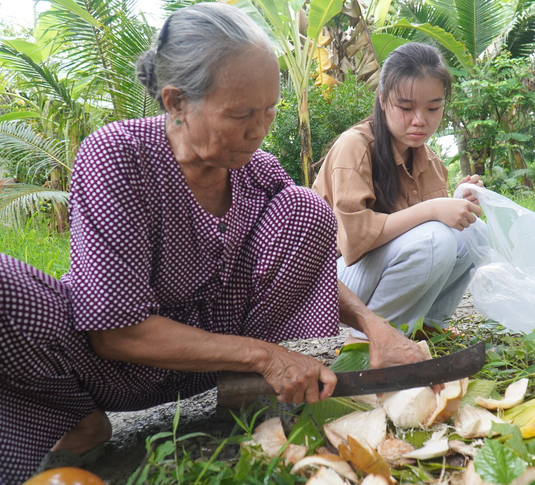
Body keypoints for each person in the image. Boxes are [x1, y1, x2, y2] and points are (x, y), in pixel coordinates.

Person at [0, 4, 426, 483]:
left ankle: (249, 398)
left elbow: (316, 265)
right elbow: (115, 332)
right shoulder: (117, 158)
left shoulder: (255, 169)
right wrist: (266, 356)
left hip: (218, 368)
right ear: (176, 102)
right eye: (241, 114)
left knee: (306, 208)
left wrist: (374, 325)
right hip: (112, 369)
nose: (259, 130)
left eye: (268, 111)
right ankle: (78, 420)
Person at [312, 43, 484, 343]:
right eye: (405, 108)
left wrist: (456, 202)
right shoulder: (354, 146)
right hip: (331, 283)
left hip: (371, 273)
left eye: (433, 108)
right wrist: (434, 210)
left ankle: (428, 325)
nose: (420, 120)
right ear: (381, 100)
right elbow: (355, 240)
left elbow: (420, 230)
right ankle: (369, 340)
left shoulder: (428, 159)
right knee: (435, 241)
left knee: (473, 233)